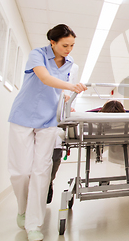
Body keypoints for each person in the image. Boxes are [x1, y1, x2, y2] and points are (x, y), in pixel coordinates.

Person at [7, 24, 87, 241]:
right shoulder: (38, 55)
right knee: (21, 172)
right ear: (52, 42)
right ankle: (22, 209)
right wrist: (71, 88)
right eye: (64, 45)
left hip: (49, 121)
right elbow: (45, 78)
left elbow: (65, 94)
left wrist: (69, 102)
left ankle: (34, 224)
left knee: (42, 172)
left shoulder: (72, 65)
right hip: (23, 116)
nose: (69, 49)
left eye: (71, 45)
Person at [47, 63, 78, 204]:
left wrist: (70, 108)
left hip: (56, 139)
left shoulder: (68, 94)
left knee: (52, 167)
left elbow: (70, 100)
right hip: (42, 130)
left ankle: (48, 184)